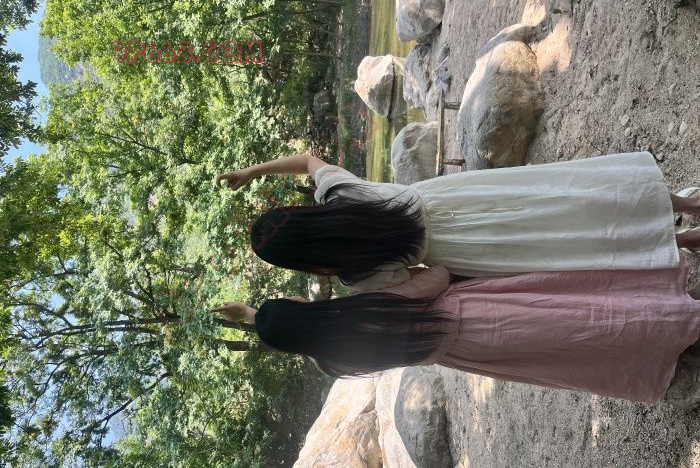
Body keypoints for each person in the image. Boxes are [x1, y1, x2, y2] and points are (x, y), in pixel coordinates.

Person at [211, 263, 700, 405]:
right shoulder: (361, 303)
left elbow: (293, 331)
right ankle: (677, 318)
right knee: (576, 314)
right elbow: (436, 280)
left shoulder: (333, 362)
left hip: (466, 352)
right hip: (474, 312)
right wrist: (425, 269)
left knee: (569, 346)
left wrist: (254, 318)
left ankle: (662, 342)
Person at [216, 153, 700, 291]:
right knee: (562, 195)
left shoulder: (351, 274)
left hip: (466, 250)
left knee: (564, 243)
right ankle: (686, 205)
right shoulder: (339, 193)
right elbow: (307, 160)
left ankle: (686, 241)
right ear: (298, 214)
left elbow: (417, 280)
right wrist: (251, 172)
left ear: (298, 259)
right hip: (459, 195)